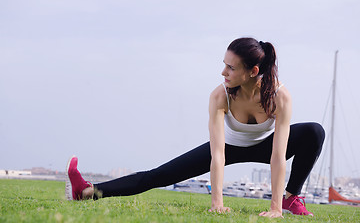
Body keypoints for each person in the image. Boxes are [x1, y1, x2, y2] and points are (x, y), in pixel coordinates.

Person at [66, 37, 325, 218]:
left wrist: (275, 208)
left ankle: (290, 198)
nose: (223, 72)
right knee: (157, 176)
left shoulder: (280, 96)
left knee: (314, 131)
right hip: (229, 147)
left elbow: (278, 157)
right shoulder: (220, 95)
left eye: (231, 67)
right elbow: (218, 154)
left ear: (252, 71)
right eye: (224, 64)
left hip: (266, 146)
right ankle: (87, 191)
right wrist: (217, 204)